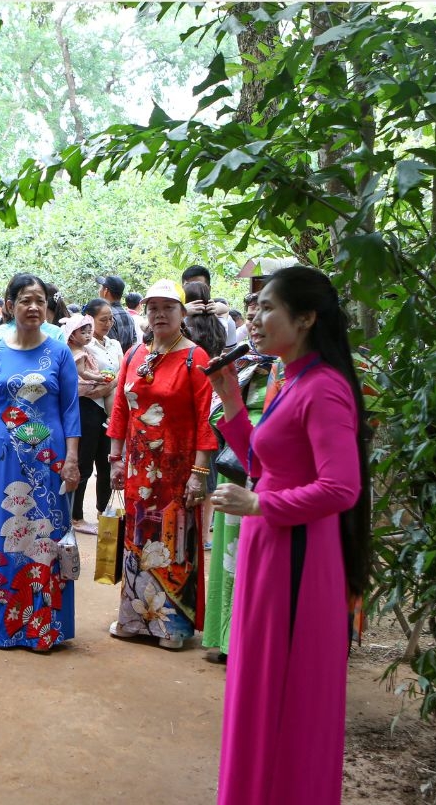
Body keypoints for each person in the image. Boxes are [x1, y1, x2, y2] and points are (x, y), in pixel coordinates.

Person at [205, 265, 369, 804]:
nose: (254, 317)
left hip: (296, 553)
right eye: (254, 308)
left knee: (285, 696)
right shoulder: (288, 375)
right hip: (269, 545)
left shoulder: (324, 388)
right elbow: (265, 460)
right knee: (257, 689)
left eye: (268, 307)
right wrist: (231, 399)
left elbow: (341, 488)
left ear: (305, 319)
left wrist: (260, 504)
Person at [0, 274, 80, 652]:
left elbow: (70, 410)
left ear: (47, 307)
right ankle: (7, 625)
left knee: (48, 533)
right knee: (9, 532)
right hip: (6, 462)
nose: (33, 307)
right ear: (11, 305)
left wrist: (73, 459)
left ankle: (45, 628)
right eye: (25, 300)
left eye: (40, 300)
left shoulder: (60, 352)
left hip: (50, 461)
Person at [107, 280, 215, 650]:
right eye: (153, 307)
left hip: (177, 470)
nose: (159, 314)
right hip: (138, 470)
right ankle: (134, 619)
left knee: (173, 541)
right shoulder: (135, 354)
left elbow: (206, 419)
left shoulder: (195, 357)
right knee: (138, 539)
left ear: (183, 314)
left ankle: (173, 627)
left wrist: (199, 473)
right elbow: (120, 408)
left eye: (168, 307)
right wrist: (115, 459)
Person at [202, 340, 273, 664]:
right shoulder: (253, 364)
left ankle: (249, 644)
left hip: (273, 492)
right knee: (232, 560)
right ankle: (229, 638)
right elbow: (218, 412)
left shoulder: (320, 379)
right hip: (242, 472)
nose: (258, 318)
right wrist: (231, 394)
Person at [73, 300, 118, 522]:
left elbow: (121, 373)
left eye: (110, 319)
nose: (108, 323)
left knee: (106, 461)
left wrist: (109, 386)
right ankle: (76, 515)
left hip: (110, 407)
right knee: (84, 462)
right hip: (88, 407)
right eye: (103, 319)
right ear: (89, 320)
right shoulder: (83, 346)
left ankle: (103, 511)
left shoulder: (115, 344)